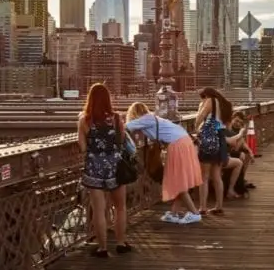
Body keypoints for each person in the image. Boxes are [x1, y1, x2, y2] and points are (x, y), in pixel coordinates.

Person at [78, 83, 138, 257]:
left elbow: (82, 147)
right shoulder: (117, 118)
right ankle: (120, 243)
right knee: (120, 207)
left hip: (94, 167)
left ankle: (102, 248)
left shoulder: (84, 120)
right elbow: (122, 140)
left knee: (98, 210)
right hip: (115, 166)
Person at [125, 102, 204, 225]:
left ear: (134, 114)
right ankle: (174, 213)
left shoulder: (145, 119)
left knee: (178, 182)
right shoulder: (153, 118)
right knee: (179, 180)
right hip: (184, 142)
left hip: (177, 145)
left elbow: (125, 127)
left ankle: (194, 213)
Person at [195, 87, 243, 215]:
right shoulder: (224, 105)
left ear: (206, 95)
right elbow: (225, 126)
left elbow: (200, 117)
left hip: (209, 140)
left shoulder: (210, 100)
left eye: (203, 97)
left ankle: (202, 207)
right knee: (216, 175)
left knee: (204, 176)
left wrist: (196, 127)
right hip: (220, 139)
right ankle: (219, 206)